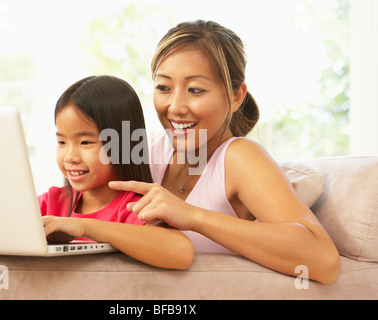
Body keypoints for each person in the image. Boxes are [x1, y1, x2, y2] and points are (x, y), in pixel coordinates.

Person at [110, 20, 341, 284]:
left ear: (236, 96)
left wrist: (192, 216)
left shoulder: (238, 158)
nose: (175, 106)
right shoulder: (149, 148)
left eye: (195, 90)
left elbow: (324, 262)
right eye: (164, 88)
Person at [39, 75, 194, 270]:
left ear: (123, 144)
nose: (70, 156)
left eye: (85, 142)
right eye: (62, 142)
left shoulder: (134, 208)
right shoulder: (50, 203)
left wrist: (83, 227)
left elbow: (181, 251)